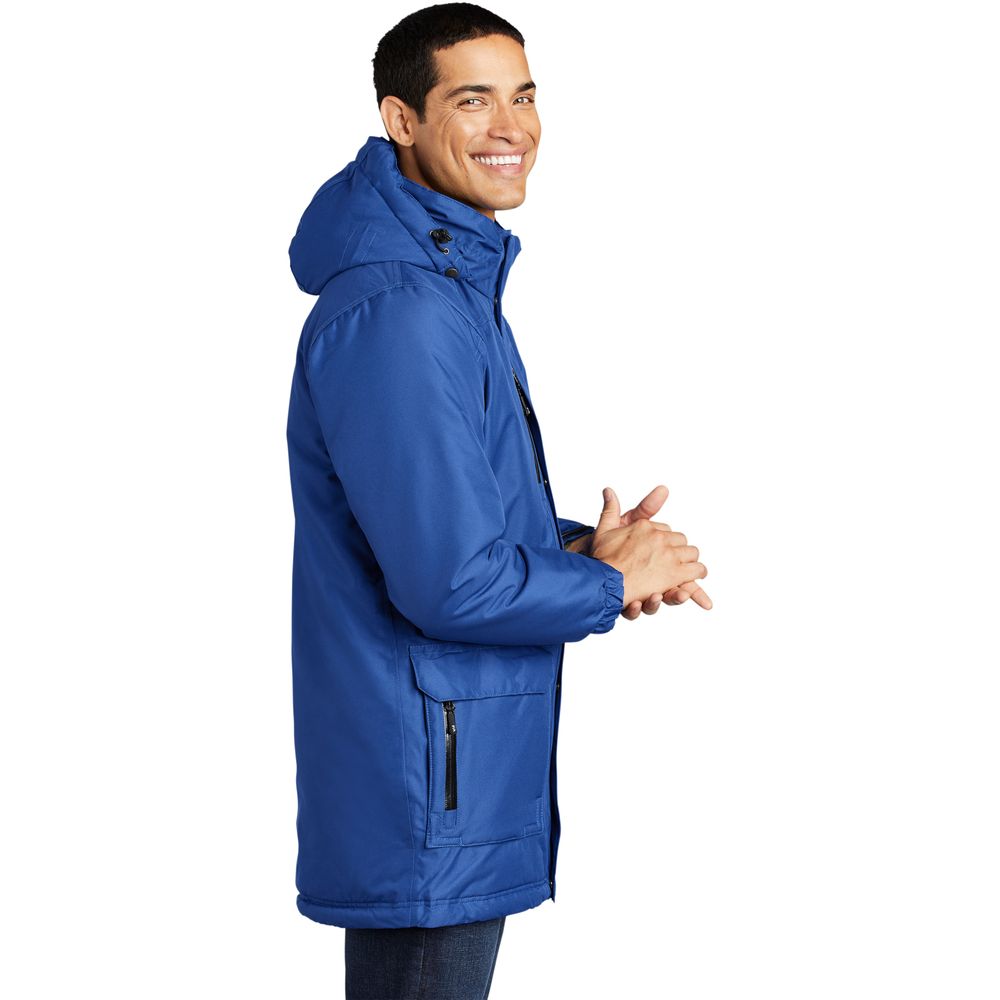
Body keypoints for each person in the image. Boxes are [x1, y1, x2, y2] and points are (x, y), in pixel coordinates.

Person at [285, 4, 712, 996]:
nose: (511, 128)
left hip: (451, 769)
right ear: (401, 119)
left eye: (523, 97)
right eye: (473, 101)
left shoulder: (446, 287)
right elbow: (450, 583)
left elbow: (440, 525)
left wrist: (587, 550)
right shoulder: (403, 310)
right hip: (430, 784)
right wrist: (606, 585)